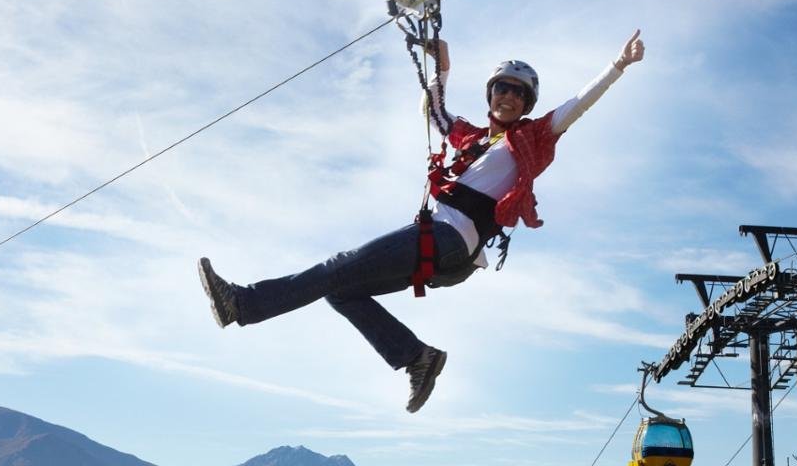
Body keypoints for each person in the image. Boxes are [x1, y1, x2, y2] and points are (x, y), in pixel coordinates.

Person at [199, 30, 645, 413]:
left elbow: (577, 106)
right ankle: (417, 357)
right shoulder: (470, 135)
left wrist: (618, 65)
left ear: (527, 102)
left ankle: (244, 304)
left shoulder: (532, 137)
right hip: (446, 247)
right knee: (340, 289)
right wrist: (443, 67)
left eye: (518, 92)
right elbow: (433, 112)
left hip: (451, 239)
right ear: (490, 94)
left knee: (339, 264)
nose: (508, 96)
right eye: (501, 89)